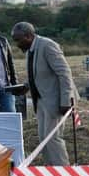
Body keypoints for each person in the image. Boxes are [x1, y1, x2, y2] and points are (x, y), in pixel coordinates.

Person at [11, 22, 78, 167]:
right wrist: (26, 87)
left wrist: (66, 101)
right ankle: (51, 172)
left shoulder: (47, 46)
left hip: (57, 99)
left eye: (18, 40)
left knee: (53, 138)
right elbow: (39, 74)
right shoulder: (31, 49)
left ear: (28, 36)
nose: (17, 44)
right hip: (41, 100)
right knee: (44, 139)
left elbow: (64, 73)